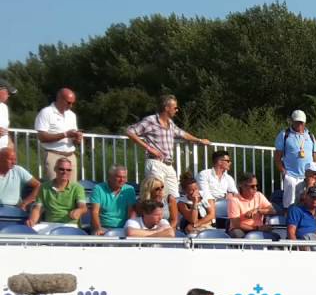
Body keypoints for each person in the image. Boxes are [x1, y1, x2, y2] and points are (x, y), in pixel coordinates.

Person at [126, 94, 211, 224]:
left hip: (168, 164)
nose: (177, 110)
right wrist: (149, 148)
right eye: (175, 107)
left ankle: (173, 224)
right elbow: (130, 131)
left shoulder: (170, 123)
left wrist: (199, 140)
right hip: (155, 162)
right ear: (166, 107)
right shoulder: (150, 120)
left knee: (174, 196)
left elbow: (182, 134)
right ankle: (150, 222)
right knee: (154, 195)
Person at [33, 88, 82, 180]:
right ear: (60, 99)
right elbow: (42, 137)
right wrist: (65, 134)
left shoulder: (72, 115)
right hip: (53, 155)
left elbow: (73, 140)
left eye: (72, 103)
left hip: (70, 156)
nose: (71, 106)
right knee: (54, 187)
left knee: (71, 188)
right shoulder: (46, 112)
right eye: (68, 102)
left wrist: (77, 139)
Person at [273, 110, 316, 207]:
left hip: (307, 175)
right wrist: (284, 172)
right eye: (297, 121)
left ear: (305, 122)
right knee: (289, 203)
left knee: (307, 201)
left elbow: (314, 156)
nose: (299, 124)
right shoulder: (284, 135)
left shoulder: (311, 136)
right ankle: (288, 218)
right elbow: (277, 157)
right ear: (292, 121)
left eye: (301, 122)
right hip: (291, 175)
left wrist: (315, 174)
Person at [27, 157, 86, 226]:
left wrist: (79, 211)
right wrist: (32, 221)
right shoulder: (44, 187)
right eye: (61, 169)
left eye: (68, 170)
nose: (65, 172)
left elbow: (83, 207)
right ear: (55, 169)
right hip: (49, 225)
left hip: (69, 225)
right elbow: (38, 208)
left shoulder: (77, 188)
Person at [89, 165, 136, 234]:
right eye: (119, 177)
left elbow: (131, 213)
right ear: (110, 177)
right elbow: (94, 212)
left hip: (123, 228)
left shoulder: (129, 190)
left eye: (124, 177)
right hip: (102, 227)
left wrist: (128, 228)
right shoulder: (98, 188)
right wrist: (98, 228)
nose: (122, 180)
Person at [226, 173, 276, 237]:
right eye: (252, 186)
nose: (255, 188)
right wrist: (257, 228)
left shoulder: (259, 195)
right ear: (242, 186)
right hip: (242, 230)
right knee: (237, 234)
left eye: (256, 185)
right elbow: (236, 224)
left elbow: (272, 210)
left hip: (258, 229)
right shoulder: (234, 200)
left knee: (276, 237)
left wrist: (258, 210)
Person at [0, 80, 12, 151]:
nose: (9, 95)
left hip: (2, 152)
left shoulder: (4, 107)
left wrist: (10, 145)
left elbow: (6, 130)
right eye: (7, 92)